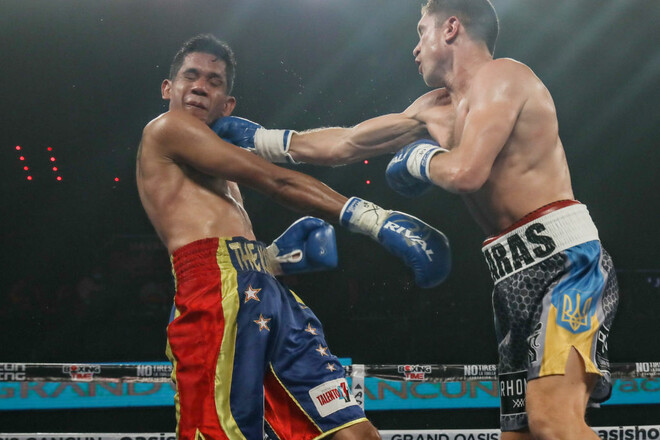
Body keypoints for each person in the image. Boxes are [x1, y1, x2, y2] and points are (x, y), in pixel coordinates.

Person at [213, 0, 620, 438]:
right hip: (512, 281)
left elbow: (466, 172)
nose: (416, 47)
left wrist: (421, 158)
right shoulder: (432, 109)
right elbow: (347, 143)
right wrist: (263, 139)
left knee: (553, 422)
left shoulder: (505, 76)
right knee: (518, 435)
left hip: (565, 266)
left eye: (421, 31)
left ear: (451, 28)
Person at [136, 34, 450, 440]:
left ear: (227, 105)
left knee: (352, 431)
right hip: (213, 296)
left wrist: (271, 259)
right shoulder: (166, 129)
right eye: (190, 76)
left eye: (214, 82)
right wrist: (375, 220)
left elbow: (327, 145)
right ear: (168, 88)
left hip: (266, 294)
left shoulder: (224, 160)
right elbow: (276, 180)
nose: (199, 87)